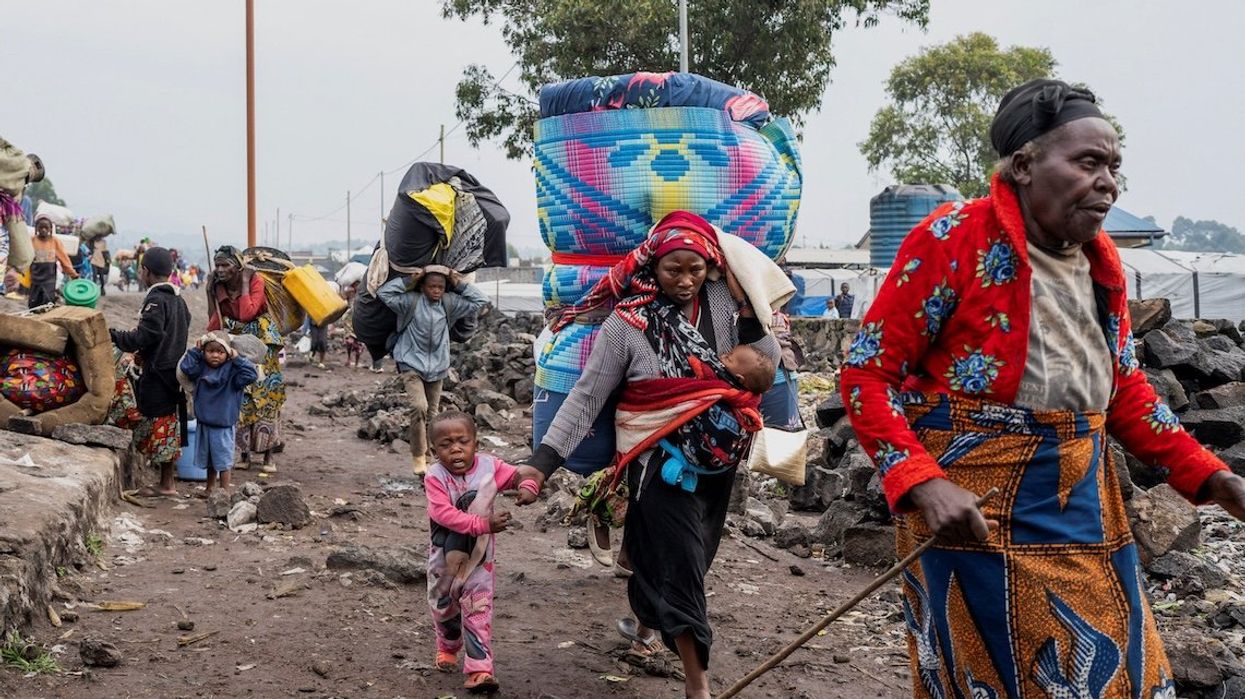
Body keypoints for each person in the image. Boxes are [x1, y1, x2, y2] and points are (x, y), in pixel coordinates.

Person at [840, 78, 1245, 698]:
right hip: (972, 515)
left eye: (1113, 167)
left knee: (1118, 677)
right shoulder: (954, 238)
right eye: (1088, 162)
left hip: (1081, 506)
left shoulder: (1101, 264)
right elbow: (867, 374)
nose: (1108, 182)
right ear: (1024, 165)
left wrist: (1213, 477)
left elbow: (1123, 392)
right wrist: (923, 483)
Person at [521, 211, 780, 699]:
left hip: (716, 464)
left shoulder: (725, 305)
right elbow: (588, 395)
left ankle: (644, 625)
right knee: (681, 566)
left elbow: (766, 365)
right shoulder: (628, 323)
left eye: (695, 269)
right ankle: (698, 685)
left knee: (690, 558)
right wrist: (542, 462)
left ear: (711, 267)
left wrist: (749, 310)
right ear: (651, 267)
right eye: (672, 269)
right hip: (656, 463)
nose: (684, 280)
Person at [423, 411, 542, 695]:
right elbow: (442, 513)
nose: (455, 449)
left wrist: (528, 485)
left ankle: (479, 669)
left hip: (480, 561)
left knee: (478, 609)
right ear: (434, 450)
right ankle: (448, 645)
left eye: (462, 441)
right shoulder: (435, 476)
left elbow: (516, 475)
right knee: (444, 608)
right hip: (444, 563)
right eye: (446, 444)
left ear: (476, 443)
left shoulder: (489, 466)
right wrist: (483, 524)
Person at [377, 264, 489, 476]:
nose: (436, 291)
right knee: (419, 407)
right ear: (423, 287)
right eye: (432, 286)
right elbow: (385, 293)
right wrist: (409, 280)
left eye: (441, 287)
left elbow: (480, 300)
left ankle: (431, 459)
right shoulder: (409, 302)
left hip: (438, 365)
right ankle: (419, 456)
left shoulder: (449, 304)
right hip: (410, 361)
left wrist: (457, 283)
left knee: (432, 414)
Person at [109, 247, 191, 497]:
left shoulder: (156, 300)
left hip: (158, 373)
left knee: (156, 420)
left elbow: (147, 335)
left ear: (145, 271)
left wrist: (115, 336)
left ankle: (166, 485)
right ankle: (166, 481)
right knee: (167, 422)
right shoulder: (178, 300)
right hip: (172, 372)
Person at [206, 245, 286, 472]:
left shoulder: (254, 281)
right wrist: (209, 292)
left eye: (226, 265)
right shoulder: (219, 286)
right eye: (218, 265)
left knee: (266, 395)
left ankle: (268, 456)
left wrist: (244, 283)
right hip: (238, 342)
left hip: (262, 342)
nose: (220, 270)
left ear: (238, 266)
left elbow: (246, 313)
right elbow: (214, 322)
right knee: (242, 395)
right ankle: (244, 454)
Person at [178, 332, 258, 497]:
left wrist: (237, 358)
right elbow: (186, 367)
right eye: (210, 351)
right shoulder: (200, 368)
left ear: (228, 353)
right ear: (204, 352)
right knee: (210, 460)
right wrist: (195, 351)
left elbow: (252, 374)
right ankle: (209, 489)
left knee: (223, 461)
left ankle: (224, 491)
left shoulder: (233, 373)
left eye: (220, 352)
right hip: (204, 423)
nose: (215, 355)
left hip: (223, 425)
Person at [757, 308, 803, 429]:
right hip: (787, 378)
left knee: (773, 431)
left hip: (773, 382)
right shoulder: (781, 317)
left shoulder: (762, 315)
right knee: (786, 428)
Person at [28, 214, 77, 308]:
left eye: (46, 228)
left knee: (48, 299)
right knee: (34, 300)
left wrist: (73, 274)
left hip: (49, 276)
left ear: (50, 229)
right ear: (36, 228)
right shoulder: (32, 241)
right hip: (35, 275)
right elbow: (26, 258)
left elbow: (64, 259)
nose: (43, 230)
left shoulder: (55, 241)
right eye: (41, 227)